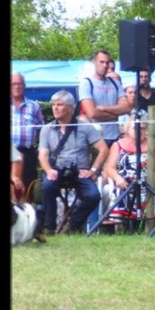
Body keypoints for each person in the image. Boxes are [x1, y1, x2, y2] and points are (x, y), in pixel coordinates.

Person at [37, 90, 108, 234]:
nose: (55, 108)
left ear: (70, 108)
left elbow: (103, 149)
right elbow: (42, 155)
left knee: (93, 196)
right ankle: (49, 227)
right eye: (53, 105)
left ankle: (74, 225)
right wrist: (49, 170)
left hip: (79, 171)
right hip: (57, 170)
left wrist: (93, 170)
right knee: (47, 187)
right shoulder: (47, 129)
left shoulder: (85, 127)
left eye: (60, 105)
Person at [101, 119, 155, 221]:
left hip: (149, 184)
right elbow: (109, 168)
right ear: (127, 129)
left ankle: (152, 224)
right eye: (135, 128)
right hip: (125, 184)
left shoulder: (153, 145)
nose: (139, 131)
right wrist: (117, 178)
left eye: (142, 128)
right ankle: (119, 226)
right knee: (118, 192)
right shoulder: (117, 145)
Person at [12, 72, 44, 192]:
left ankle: (27, 209)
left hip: (28, 152)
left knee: (28, 185)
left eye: (19, 84)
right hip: (11, 152)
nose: (17, 87)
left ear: (24, 86)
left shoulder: (34, 106)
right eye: (14, 84)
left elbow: (42, 129)